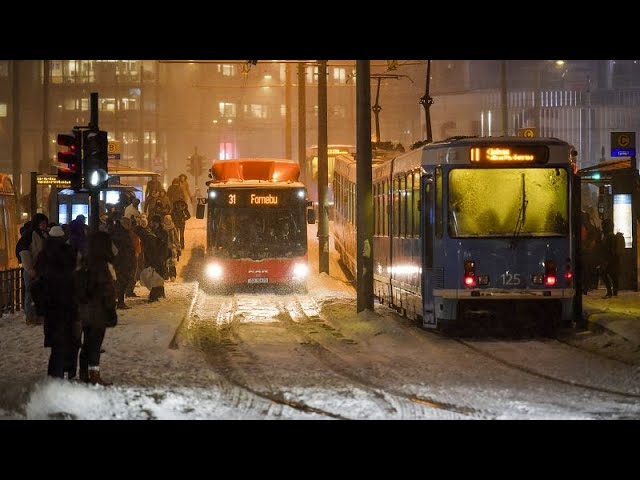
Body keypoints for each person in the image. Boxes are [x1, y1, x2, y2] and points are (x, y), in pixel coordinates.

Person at [33, 225, 79, 379]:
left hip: (51, 305)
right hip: (68, 303)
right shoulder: (69, 253)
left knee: (56, 344)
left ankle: (55, 374)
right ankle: (69, 371)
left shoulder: (43, 255)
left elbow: (38, 280)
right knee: (70, 340)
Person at [75, 231, 118, 386]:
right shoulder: (102, 265)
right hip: (98, 310)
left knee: (87, 342)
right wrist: (111, 308)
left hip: (85, 310)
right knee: (95, 343)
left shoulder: (85, 262)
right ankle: (94, 374)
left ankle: (83, 372)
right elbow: (106, 290)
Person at [16, 213, 49, 325]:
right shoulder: (30, 235)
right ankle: (30, 317)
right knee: (30, 292)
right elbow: (23, 251)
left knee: (39, 293)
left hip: (41, 269)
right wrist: (29, 268)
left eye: (45, 223)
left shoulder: (44, 234)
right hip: (32, 269)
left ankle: (38, 315)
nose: (44, 225)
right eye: (42, 223)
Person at [598, 218, 620, 298]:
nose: (602, 227)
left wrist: (605, 260)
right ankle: (614, 293)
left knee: (604, 273)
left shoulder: (609, 237)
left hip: (609, 259)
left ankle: (610, 292)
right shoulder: (612, 236)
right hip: (614, 259)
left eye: (603, 226)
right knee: (613, 276)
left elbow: (607, 249)